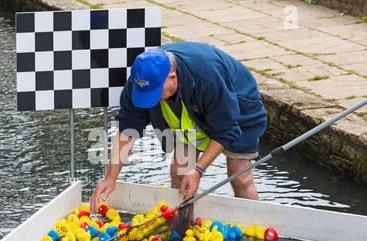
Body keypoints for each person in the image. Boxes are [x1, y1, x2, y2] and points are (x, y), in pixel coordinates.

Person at [90, 41, 267, 212]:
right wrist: (111, 177)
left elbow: (227, 129)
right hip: (189, 112)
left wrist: (198, 170)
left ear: (173, 78)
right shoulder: (141, 81)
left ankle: (258, 228)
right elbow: (128, 130)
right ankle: (181, 226)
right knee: (180, 170)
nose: (148, 99)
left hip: (237, 103)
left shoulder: (207, 77)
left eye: (154, 93)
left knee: (239, 175)